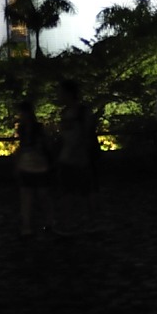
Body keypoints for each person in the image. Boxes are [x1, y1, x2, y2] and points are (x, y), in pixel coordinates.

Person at [54, 79, 97, 234]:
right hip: (72, 157)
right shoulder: (73, 112)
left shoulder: (78, 112)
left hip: (77, 157)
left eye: (60, 92)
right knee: (80, 192)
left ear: (68, 93)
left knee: (75, 192)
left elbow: (83, 135)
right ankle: (85, 222)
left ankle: (71, 223)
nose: (58, 95)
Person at [14, 102, 55, 236]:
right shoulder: (30, 128)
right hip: (31, 165)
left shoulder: (32, 129)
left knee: (37, 196)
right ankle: (31, 225)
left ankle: (36, 224)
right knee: (30, 196)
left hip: (36, 165)